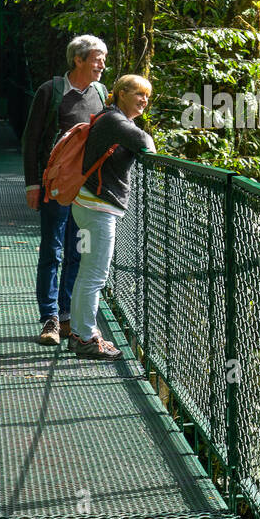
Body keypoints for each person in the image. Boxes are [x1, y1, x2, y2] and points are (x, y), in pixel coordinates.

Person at [22, 35, 108, 346]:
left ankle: (68, 314)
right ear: (79, 60)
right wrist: (33, 184)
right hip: (55, 187)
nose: (102, 65)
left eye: (103, 59)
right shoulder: (51, 91)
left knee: (78, 251)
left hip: (87, 189)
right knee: (52, 250)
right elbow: (31, 141)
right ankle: (50, 318)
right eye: (97, 59)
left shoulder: (100, 93)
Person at [68, 74, 155, 359]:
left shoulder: (112, 119)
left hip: (89, 205)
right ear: (120, 93)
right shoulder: (115, 121)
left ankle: (81, 334)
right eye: (139, 94)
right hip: (97, 209)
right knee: (95, 275)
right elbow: (144, 141)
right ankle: (85, 337)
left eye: (147, 96)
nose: (144, 101)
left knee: (88, 272)